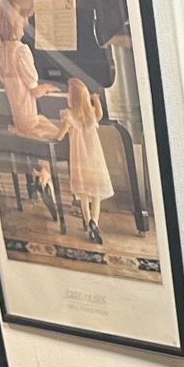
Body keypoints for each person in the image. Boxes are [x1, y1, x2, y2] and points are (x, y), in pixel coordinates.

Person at [0, 0, 63, 214]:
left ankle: (39, 176)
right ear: (17, 22)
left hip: (18, 119)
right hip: (31, 118)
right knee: (62, 135)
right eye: (24, 19)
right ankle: (43, 178)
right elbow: (34, 89)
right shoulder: (22, 51)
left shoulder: (2, 51)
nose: (26, 23)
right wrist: (50, 87)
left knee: (41, 144)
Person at [58, 78, 113, 247]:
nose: (66, 95)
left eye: (68, 93)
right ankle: (94, 222)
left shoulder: (69, 116)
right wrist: (96, 100)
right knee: (96, 194)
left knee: (83, 194)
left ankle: (88, 220)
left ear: (73, 98)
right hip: (95, 160)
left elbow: (60, 136)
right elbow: (100, 114)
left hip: (80, 161)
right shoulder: (90, 114)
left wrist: (56, 131)